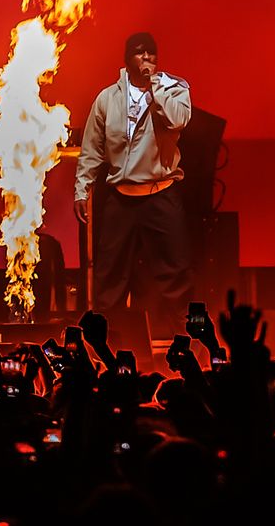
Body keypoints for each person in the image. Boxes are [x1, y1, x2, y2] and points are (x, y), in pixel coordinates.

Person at [74, 31, 192, 328]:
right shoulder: (107, 99)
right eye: (140, 53)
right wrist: (82, 189)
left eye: (151, 53)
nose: (147, 58)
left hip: (160, 191)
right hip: (121, 197)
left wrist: (156, 88)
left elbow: (178, 120)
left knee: (176, 272)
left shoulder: (174, 88)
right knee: (109, 276)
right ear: (127, 59)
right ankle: (103, 342)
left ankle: (192, 338)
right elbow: (91, 149)